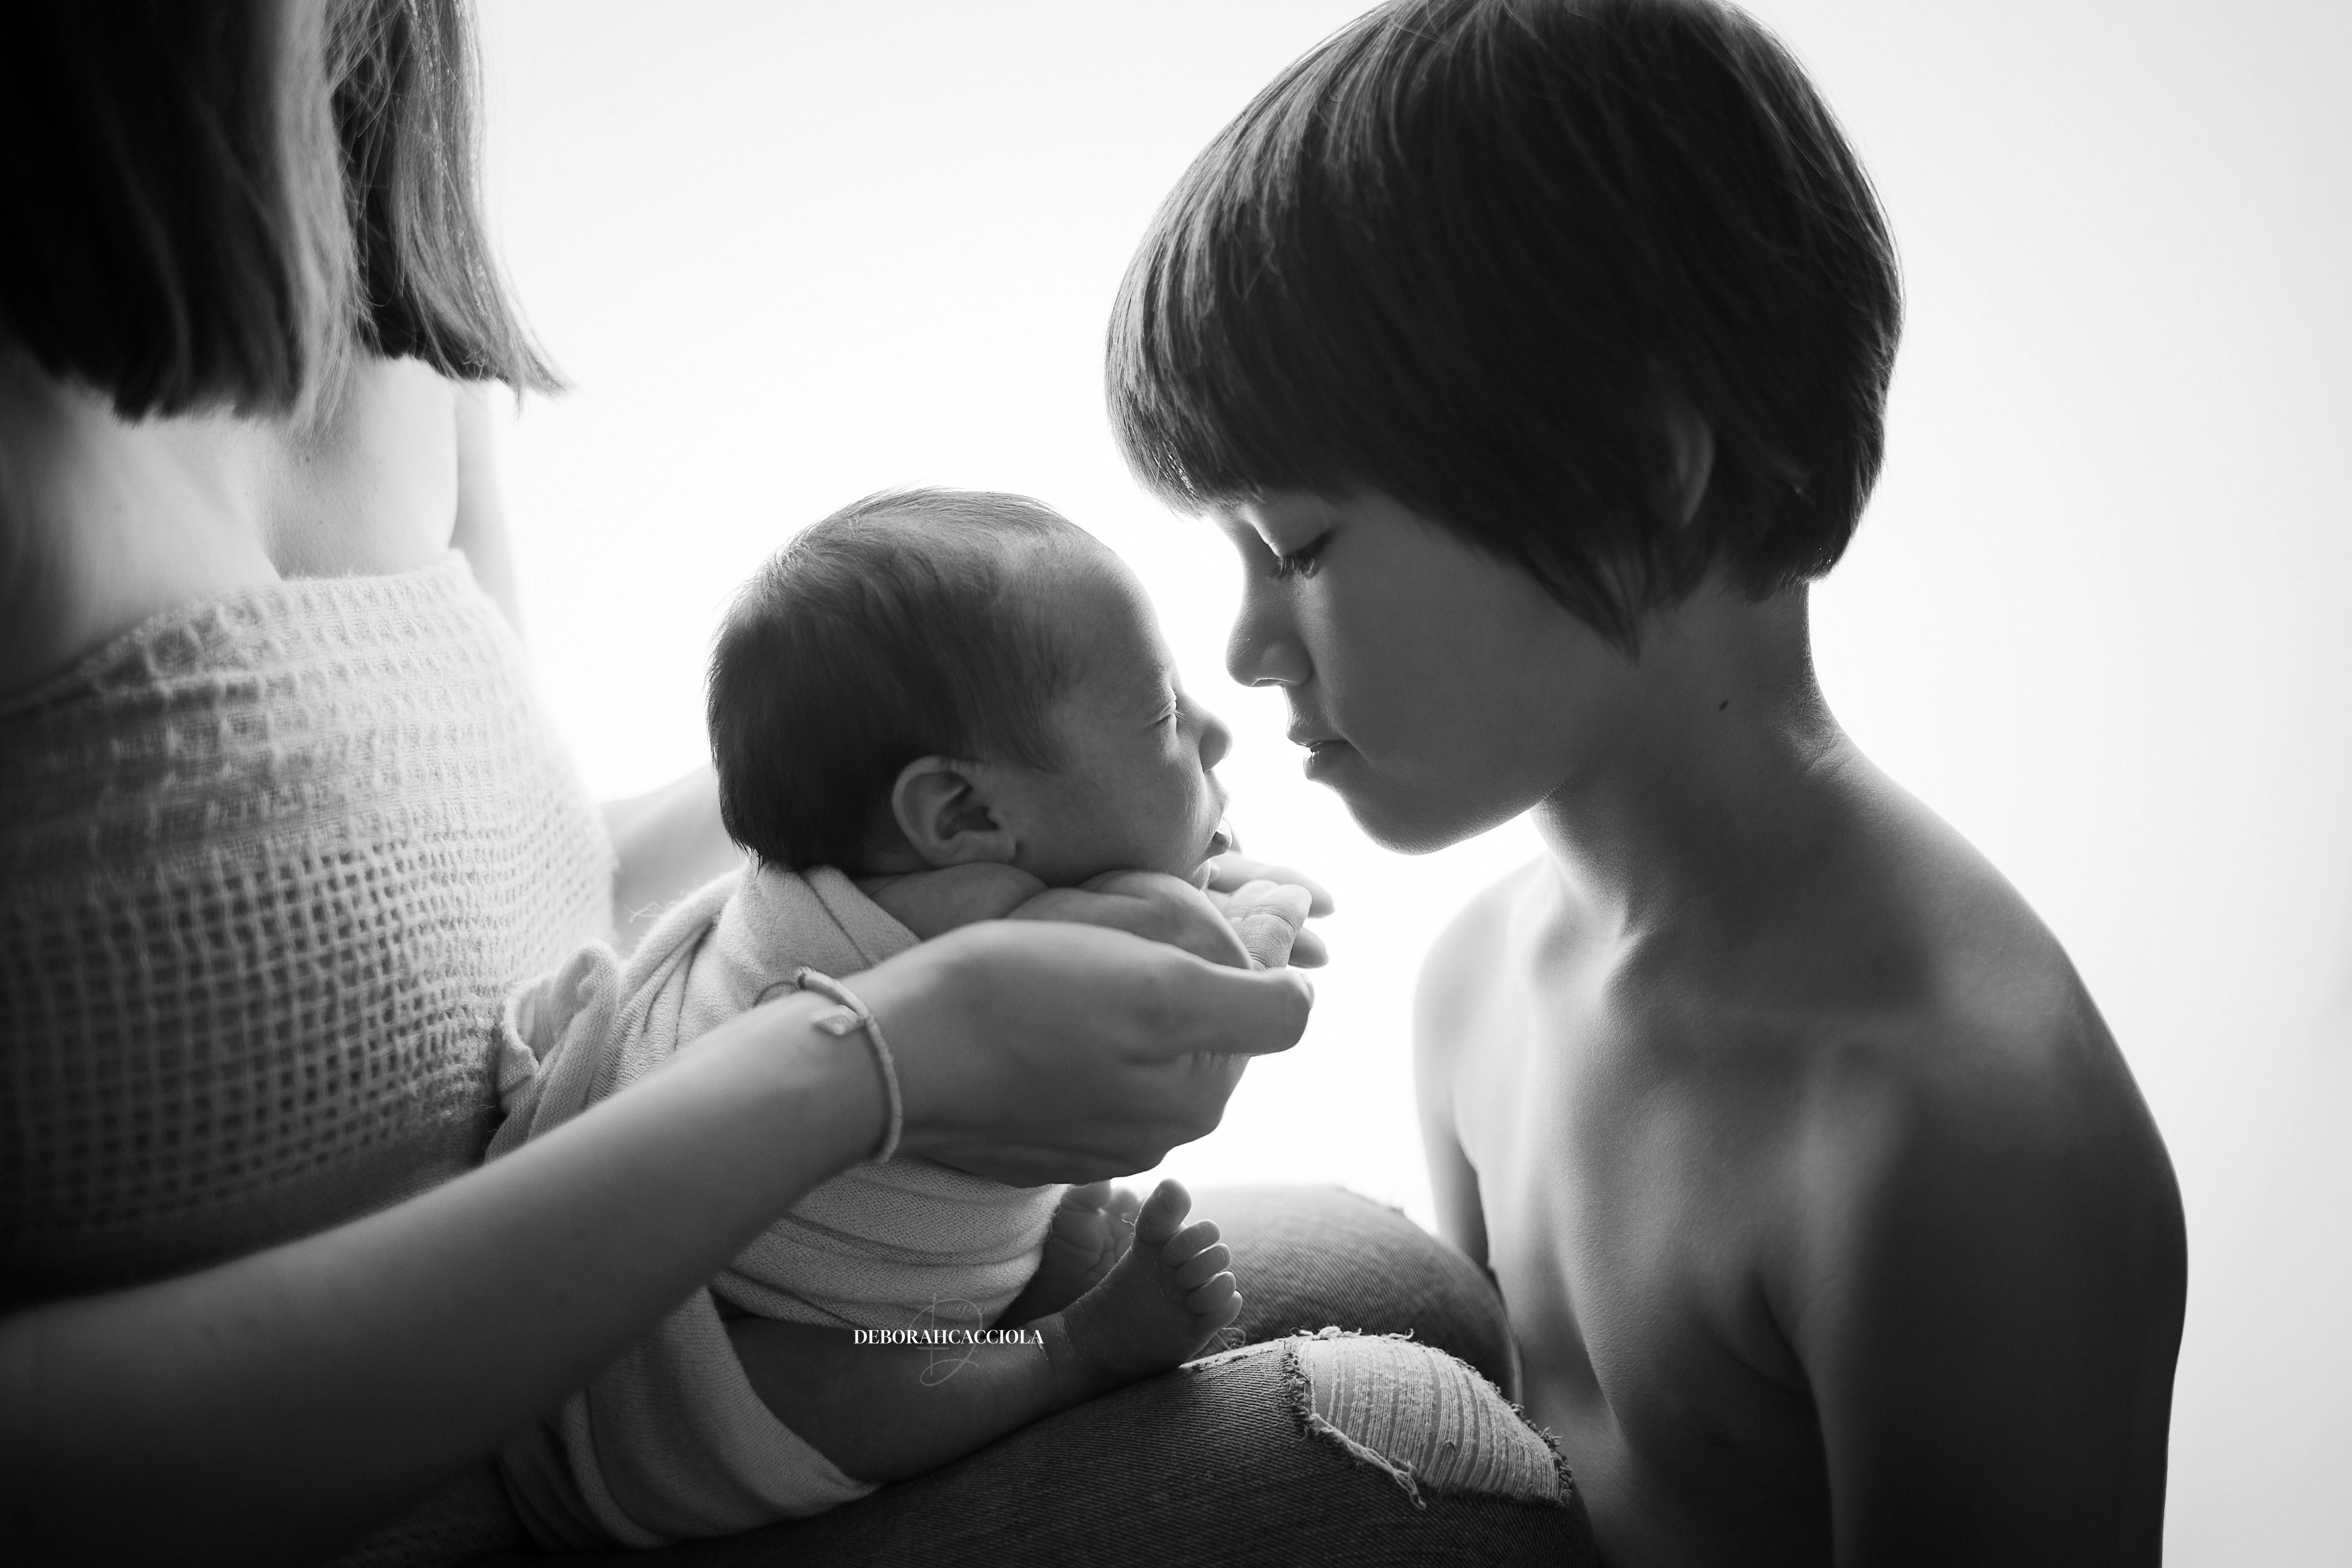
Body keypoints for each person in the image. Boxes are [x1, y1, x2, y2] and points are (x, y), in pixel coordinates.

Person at [0, 4, 1596, 1565]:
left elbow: (506, 870)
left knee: (1406, 1280)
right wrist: (893, 1048)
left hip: (629, 1272)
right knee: (1414, 1473)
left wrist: (947, 807)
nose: (1241, 700)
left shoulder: (373, 285)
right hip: (541, 1442)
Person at [1108, 0, 2190, 1563]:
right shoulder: (1483, 975)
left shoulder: (1944, 1130)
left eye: (1300, 547)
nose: (1248, 647)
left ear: (1635, 471)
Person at [485, 488, 1321, 1546]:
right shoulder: (984, 918)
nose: (1214, 731)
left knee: (1082, 1217)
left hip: (730, 1255)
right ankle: (1063, 1358)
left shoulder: (865, 882)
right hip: (697, 1361)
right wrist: (1255, 916)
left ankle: (1026, 1304)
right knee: (828, 1382)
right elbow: (1198, 949)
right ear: (964, 817)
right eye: (1163, 717)